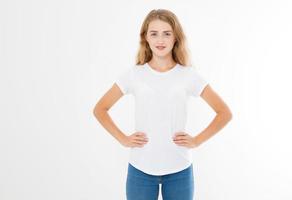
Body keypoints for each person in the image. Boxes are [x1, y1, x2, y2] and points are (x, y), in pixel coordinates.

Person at [93, 9, 232, 200]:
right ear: (145, 38)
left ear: (176, 38)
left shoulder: (188, 75)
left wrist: (196, 140)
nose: (160, 40)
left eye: (167, 33)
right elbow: (100, 109)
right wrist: (123, 139)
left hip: (179, 169)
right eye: (154, 33)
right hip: (140, 168)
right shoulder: (134, 74)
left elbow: (224, 112)